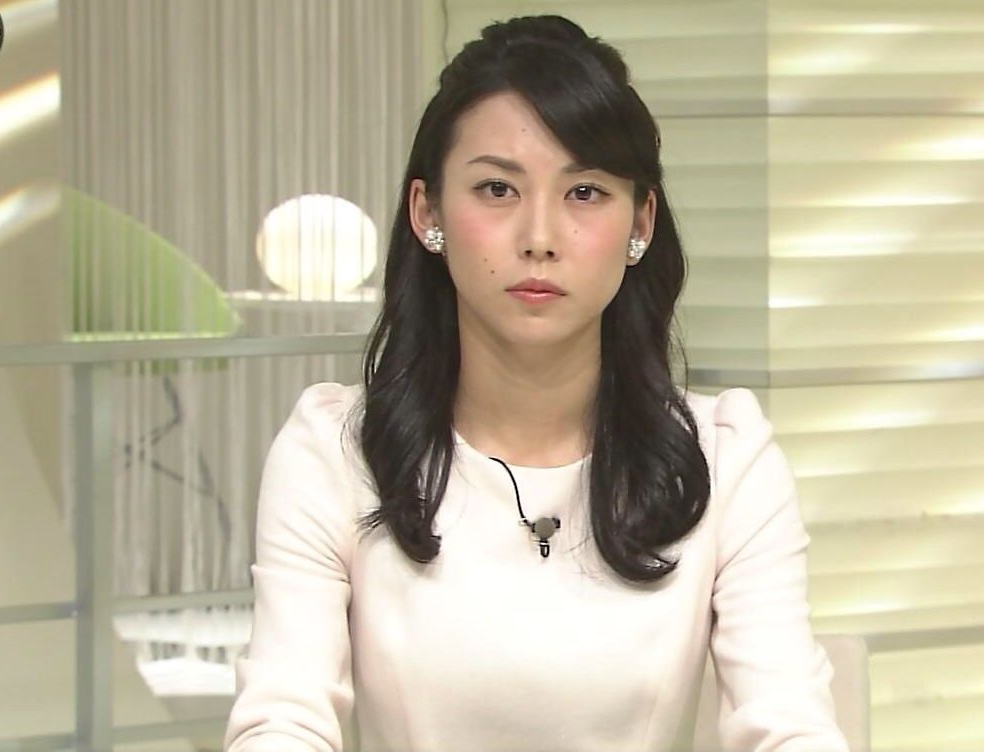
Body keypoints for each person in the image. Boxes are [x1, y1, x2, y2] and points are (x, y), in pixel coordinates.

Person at [223, 14, 847, 752]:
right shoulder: (334, 452)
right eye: (497, 188)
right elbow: (283, 718)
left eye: (584, 192)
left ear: (640, 223)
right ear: (427, 212)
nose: (540, 238)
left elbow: (787, 724)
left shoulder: (726, 459)